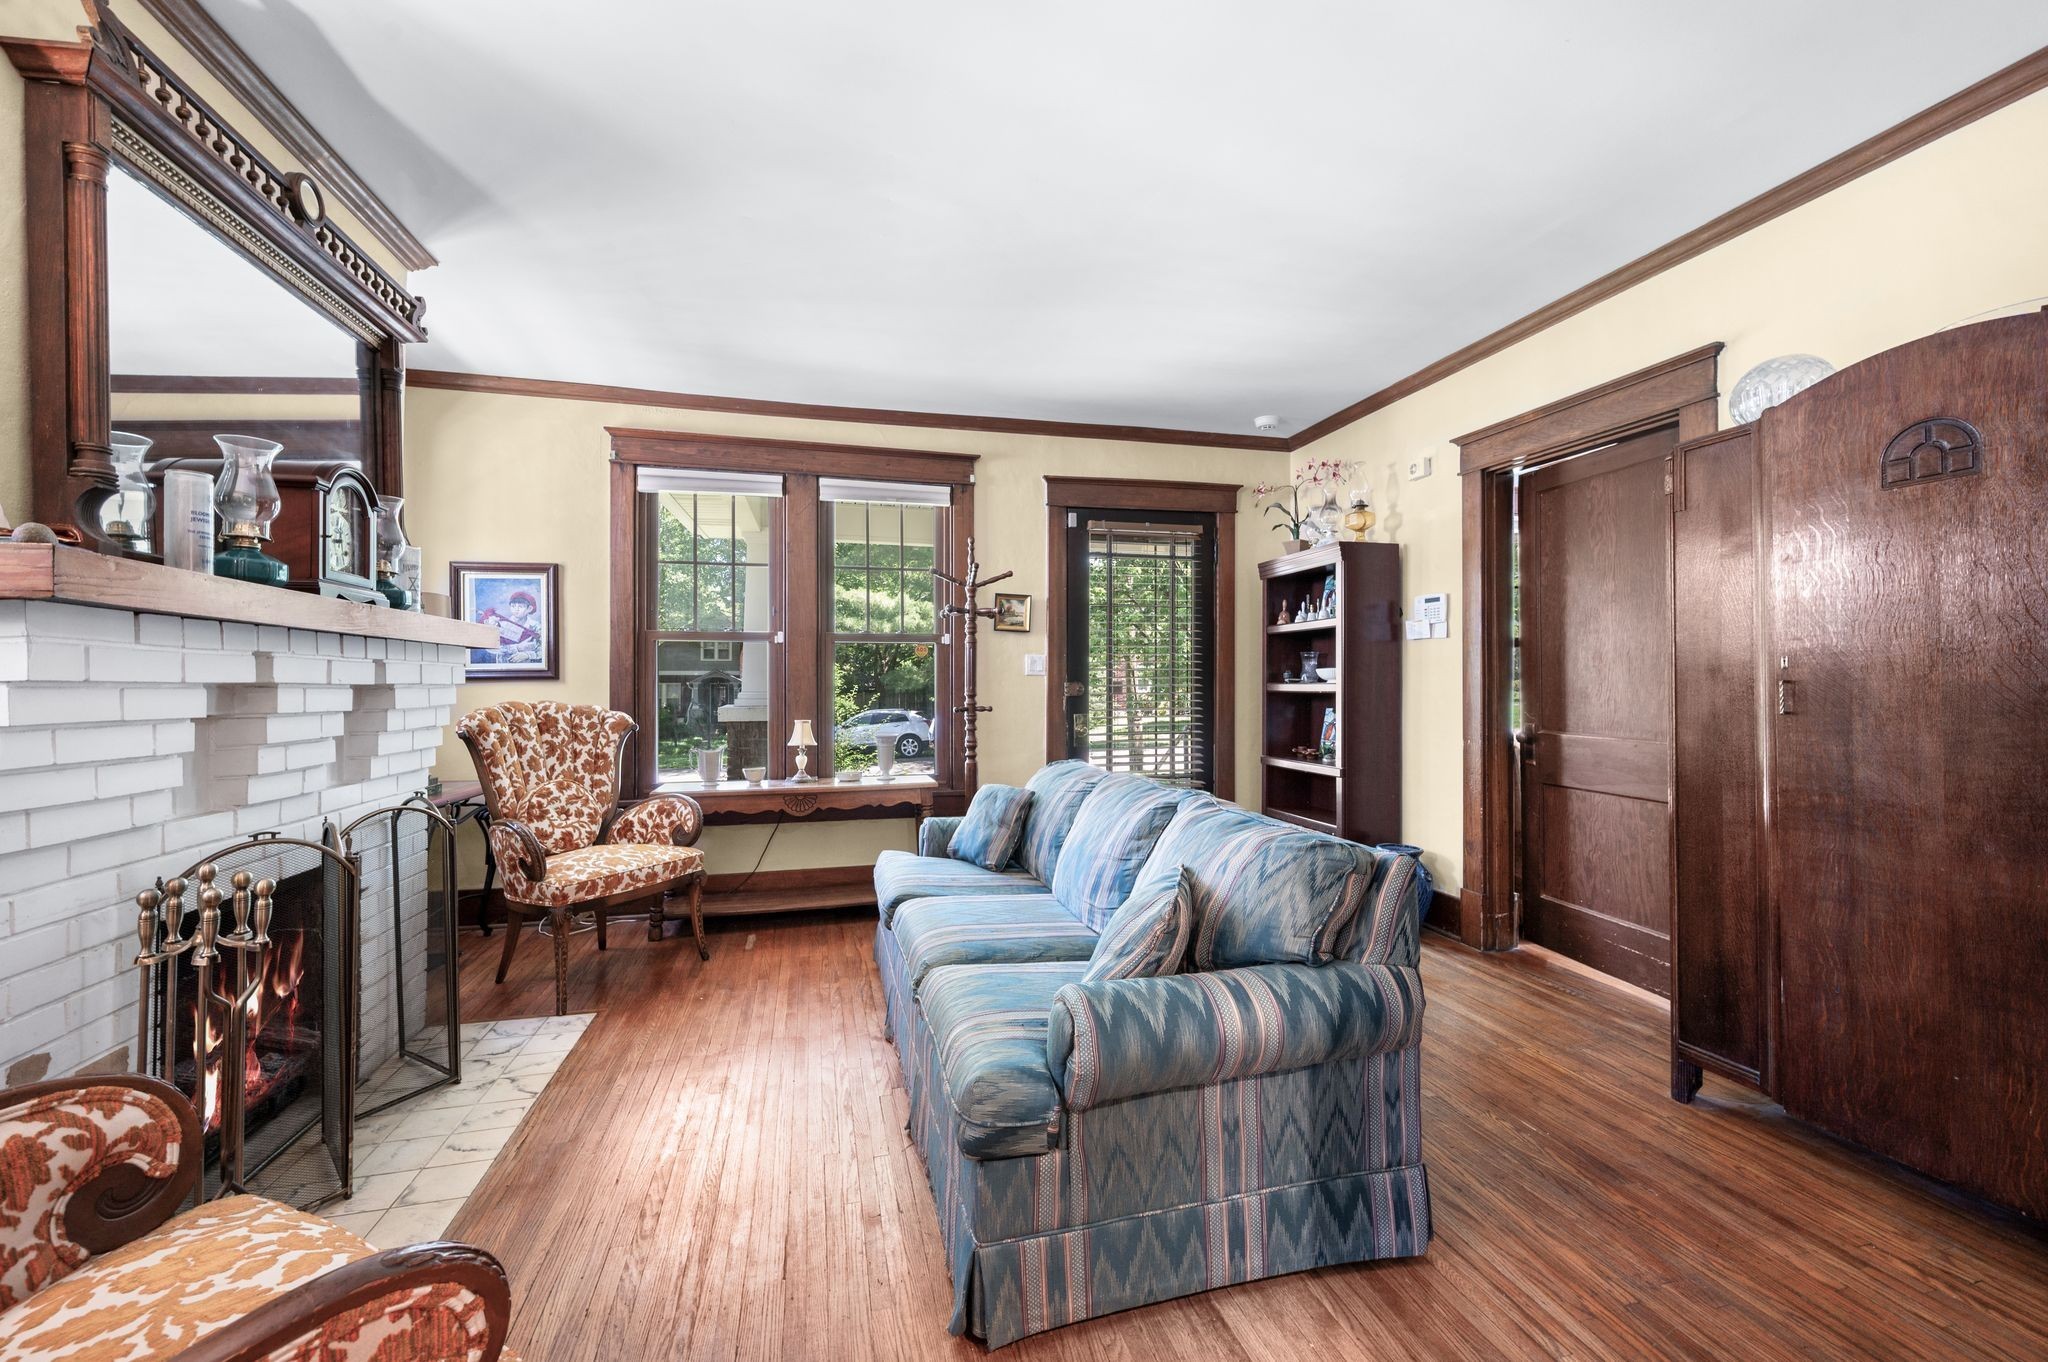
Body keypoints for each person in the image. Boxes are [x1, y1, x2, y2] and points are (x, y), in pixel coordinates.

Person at [478, 589, 543, 663]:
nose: (516, 609)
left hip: (528, 666)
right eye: (513, 606)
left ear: (529, 609)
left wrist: (528, 655)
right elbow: (492, 649)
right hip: (504, 664)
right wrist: (517, 647)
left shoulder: (536, 627)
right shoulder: (502, 624)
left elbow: (545, 649)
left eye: (520, 607)